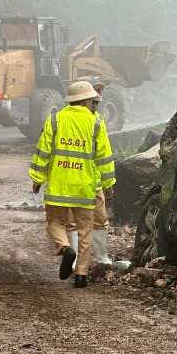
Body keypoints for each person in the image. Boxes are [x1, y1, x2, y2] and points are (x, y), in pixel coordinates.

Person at [29, 81, 116, 288]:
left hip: (58, 187)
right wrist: (108, 184)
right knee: (85, 231)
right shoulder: (96, 123)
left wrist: (37, 179)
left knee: (55, 223)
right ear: (86, 100)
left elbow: (43, 153)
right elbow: (104, 157)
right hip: (84, 188)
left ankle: (65, 247)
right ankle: (81, 276)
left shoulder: (55, 120)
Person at [65, 82, 114, 266]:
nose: (95, 105)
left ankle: (101, 256)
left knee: (100, 219)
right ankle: (74, 259)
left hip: (91, 181)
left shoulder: (97, 121)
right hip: (73, 180)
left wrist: (107, 183)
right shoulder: (67, 120)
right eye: (93, 101)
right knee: (71, 221)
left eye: (97, 102)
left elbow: (103, 157)